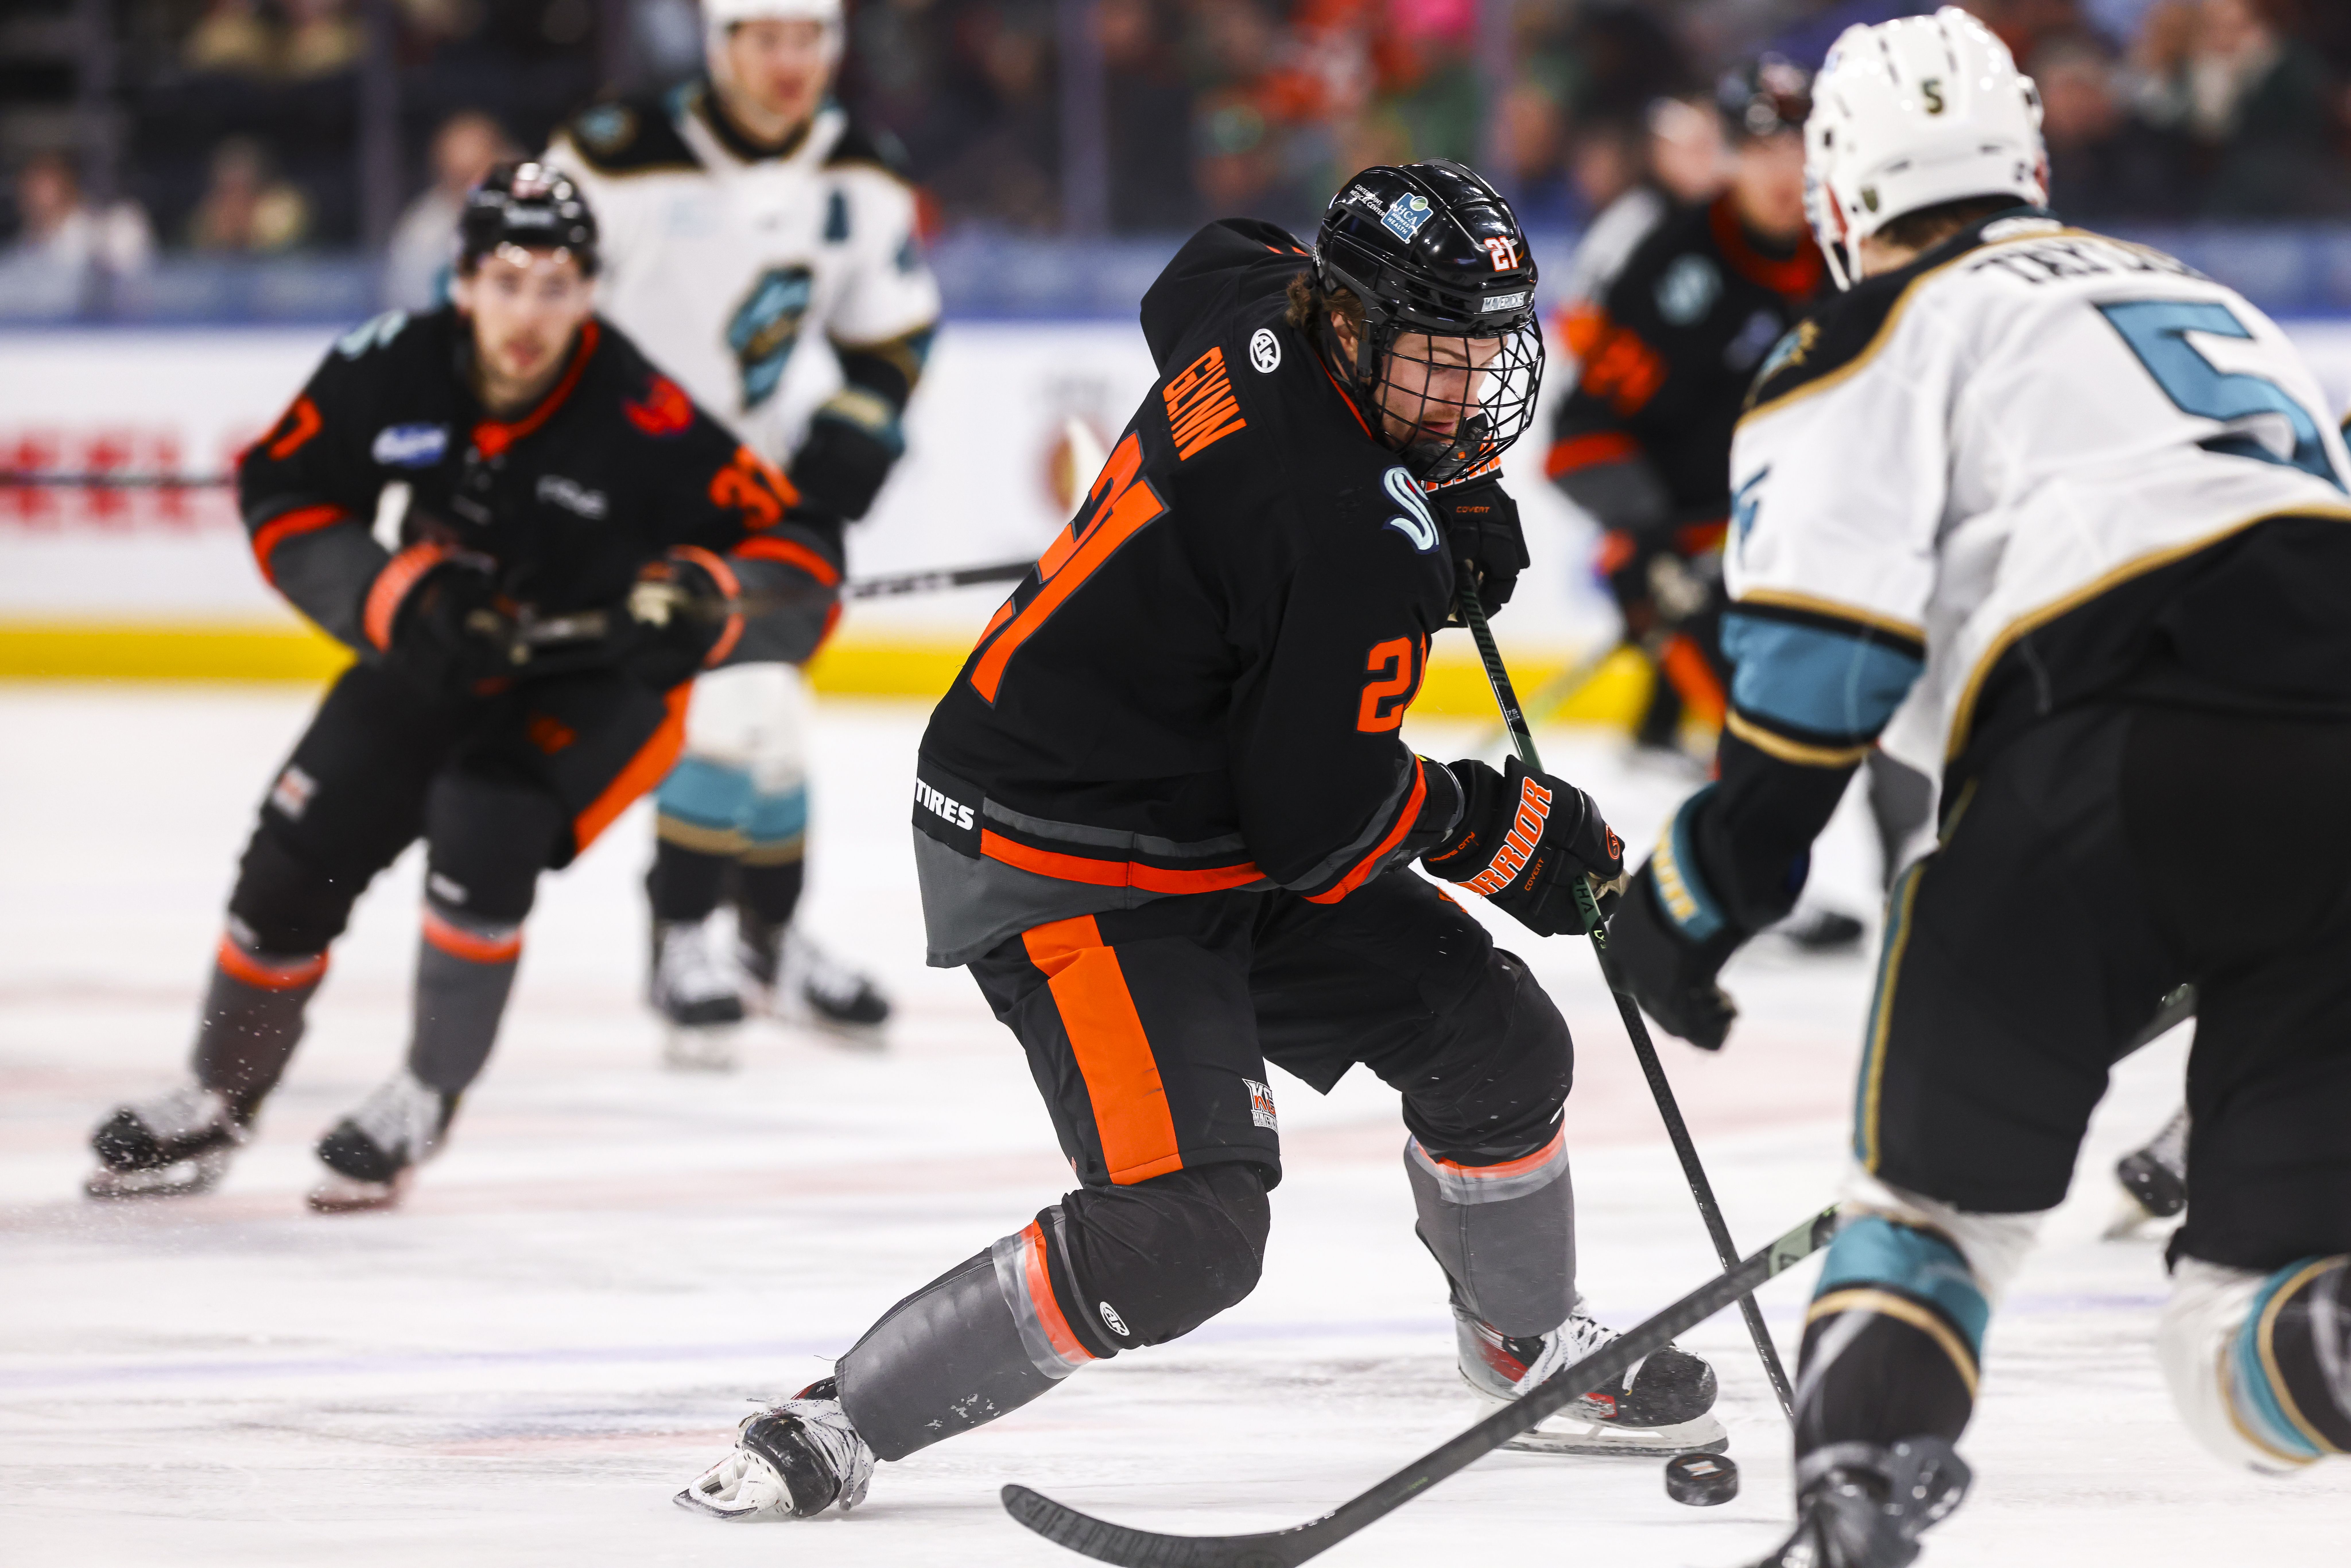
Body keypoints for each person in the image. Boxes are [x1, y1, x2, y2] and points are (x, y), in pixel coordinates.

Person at [670, 162, 1729, 1522]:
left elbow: (1203, 262)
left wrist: (1445, 486)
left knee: (1496, 1042)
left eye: (1483, 356)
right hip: (1068, 851)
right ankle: (841, 1415)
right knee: (1182, 1237)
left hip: (1192, 813)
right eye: (1435, 359)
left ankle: (1522, 1343)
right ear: (1347, 321)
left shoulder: (1261, 310)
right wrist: (1501, 828)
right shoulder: (1335, 527)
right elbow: (1320, 821)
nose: (1464, 395)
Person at [1604, 12, 2351, 1564]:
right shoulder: (2208, 298)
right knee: (2247, 1350)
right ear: (2031, 157)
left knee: (1933, 1222)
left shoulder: (1874, 328)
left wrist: (1697, 893)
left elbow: (1822, 666)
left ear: (1837, 196)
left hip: (2087, 762)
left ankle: (1864, 1478)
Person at [83, 165, 842, 1213]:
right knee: (293, 852)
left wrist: (710, 591)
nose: (528, 312)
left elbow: (803, 557)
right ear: (463, 280)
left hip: (596, 687)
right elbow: (283, 486)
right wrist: (399, 595)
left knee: (486, 814)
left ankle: (425, 1092)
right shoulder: (389, 368)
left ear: (590, 292)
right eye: (507, 278)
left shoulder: (646, 418)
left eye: (557, 284)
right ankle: (218, 1091)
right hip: (437, 652)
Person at [545, 0, 939, 1064]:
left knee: (767, 713)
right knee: (725, 701)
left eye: (807, 40)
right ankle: (684, 934)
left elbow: (893, 327)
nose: (788, 63)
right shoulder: (613, 157)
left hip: (752, 490)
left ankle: (763, 937)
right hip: (618, 489)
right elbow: (522, 305)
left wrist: (859, 423)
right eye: (764, 39)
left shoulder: (857, 166)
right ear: (719, 48)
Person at [1545, 57, 1824, 770]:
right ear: (1729, 154)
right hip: (1693, 546)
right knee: (1767, 755)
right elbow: (1580, 440)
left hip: (1806, 538)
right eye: (1763, 149)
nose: (1783, 172)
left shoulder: (1846, 257)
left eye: (1800, 147)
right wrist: (1657, 536)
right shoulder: (1676, 265)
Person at [384, 112, 518, 312]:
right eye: (459, 176)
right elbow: (411, 313)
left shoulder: (544, 204)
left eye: (479, 171)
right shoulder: (422, 238)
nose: (472, 188)